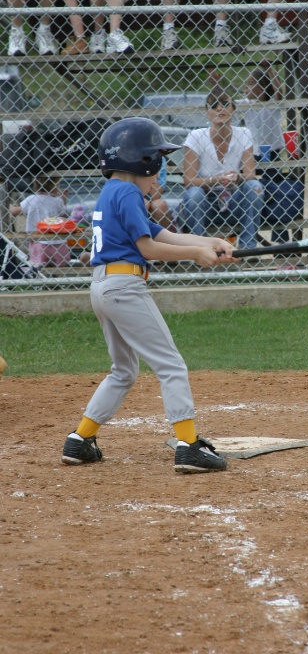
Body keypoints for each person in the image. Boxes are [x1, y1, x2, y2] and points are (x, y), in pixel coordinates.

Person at [61, 117, 234, 472]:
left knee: (123, 370)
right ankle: (188, 445)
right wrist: (195, 254)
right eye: (157, 160)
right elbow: (149, 249)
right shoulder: (127, 193)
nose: (160, 171)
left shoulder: (113, 191)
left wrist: (212, 242)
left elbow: (163, 234)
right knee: (171, 365)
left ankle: (80, 439)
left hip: (103, 287)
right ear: (141, 160)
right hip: (124, 288)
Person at [182, 87, 264, 251]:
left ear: (233, 109)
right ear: (208, 112)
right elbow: (188, 181)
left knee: (255, 187)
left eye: (225, 104)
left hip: (234, 200)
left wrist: (237, 177)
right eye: (214, 105)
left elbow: (250, 175)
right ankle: (202, 250)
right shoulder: (196, 136)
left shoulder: (244, 134)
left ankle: (247, 249)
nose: (220, 108)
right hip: (206, 201)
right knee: (194, 194)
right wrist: (216, 180)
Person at [237, 61, 290, 244]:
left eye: (250, 84)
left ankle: (280, 238)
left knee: (276, 190)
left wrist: (270, 70)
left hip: (272, 152)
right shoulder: (246, 104)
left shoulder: (272, 103)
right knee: (250, 189)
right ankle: (250, 231)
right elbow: (227, 102)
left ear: (261, 87)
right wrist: (217, 83)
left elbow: (279, 91)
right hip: (252, 155)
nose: (246, 88)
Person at [144, 156, 173, 228]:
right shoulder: (126, 155)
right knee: (142, 203)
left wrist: (146, 165)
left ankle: (165, 234)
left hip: (149, 196)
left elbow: (156, 195)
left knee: (159, 205)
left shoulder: (158, 157)